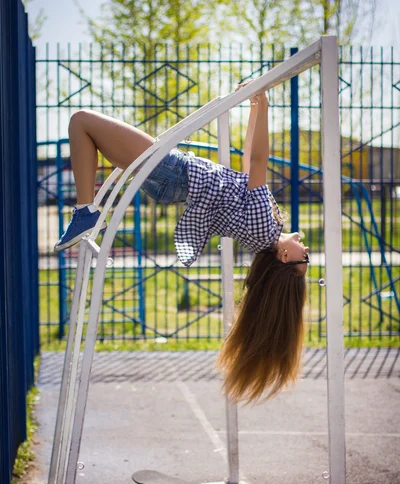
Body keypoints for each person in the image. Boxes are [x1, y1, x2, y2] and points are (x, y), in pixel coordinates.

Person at [55, 81, 309, 405]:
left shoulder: (265, 229)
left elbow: (258, 161)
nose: (307, 249)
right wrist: (255, 108)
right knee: (88, 131)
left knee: (81, 121)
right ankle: (86, 210)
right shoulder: (268, 228)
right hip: (174, 179)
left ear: (286, 258)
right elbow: (248, 164)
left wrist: (265, 107)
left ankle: (85, 212)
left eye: (306, 258)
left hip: (175, 173)